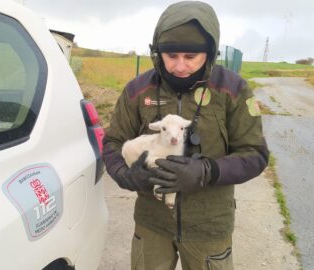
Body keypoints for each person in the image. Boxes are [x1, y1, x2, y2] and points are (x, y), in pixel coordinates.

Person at [102, 1, 269, 269]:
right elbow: (112, 142)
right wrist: (124, 174)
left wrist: (207, 170)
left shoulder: (233, 90)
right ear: (158, 53)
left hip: (209, 228)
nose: (179, 66)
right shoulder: (137, 90)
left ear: (210, 53)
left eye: (190, 57)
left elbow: (255, 154)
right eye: (171, 56)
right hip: (151, 223)